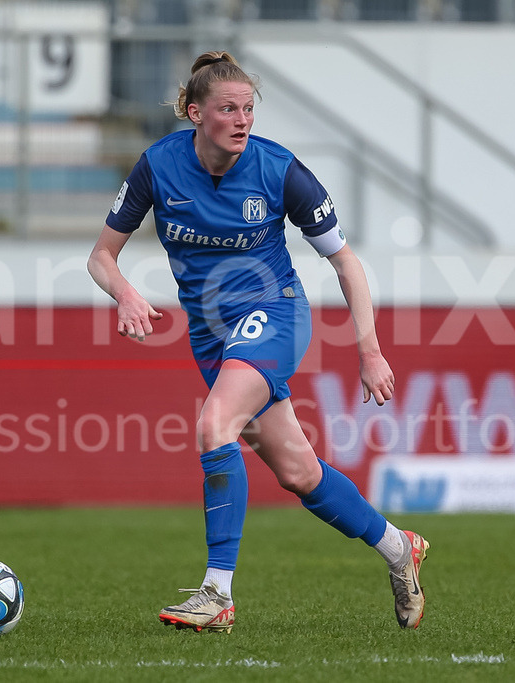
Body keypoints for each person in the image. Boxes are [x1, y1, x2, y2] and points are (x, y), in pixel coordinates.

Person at [87, 51, 429, 633]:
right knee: (298, 472)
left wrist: (369, 349)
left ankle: (217, 592)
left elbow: (345, 262)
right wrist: (125, 292)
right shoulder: (158, 165)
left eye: (249, 108)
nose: (242, 119)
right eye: (228, 109)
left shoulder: (279, 170)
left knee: (214, 423)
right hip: (211, 334)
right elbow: (101, 257)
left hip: (276, 313)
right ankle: (400, 548)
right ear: (196, 113)